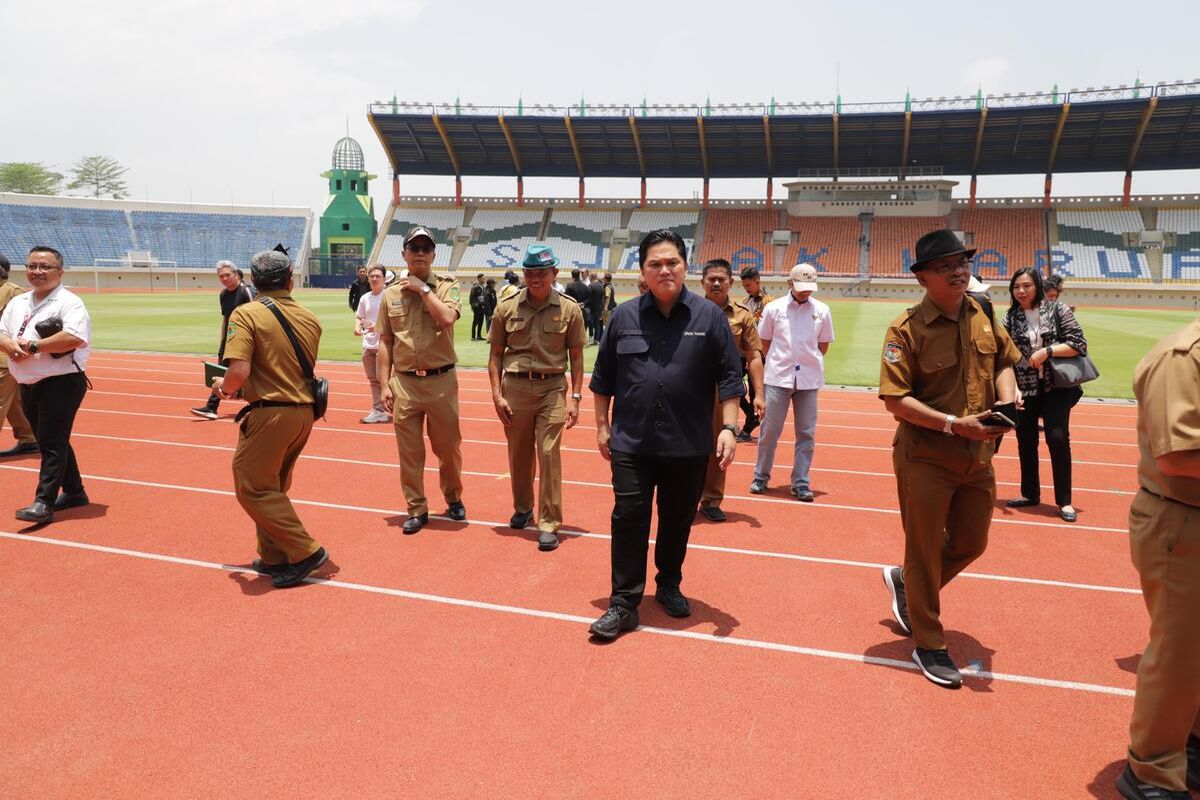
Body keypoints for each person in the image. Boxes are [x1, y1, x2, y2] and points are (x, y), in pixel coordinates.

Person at [878, 228, 1021, 688]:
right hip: (927, 455)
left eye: (962, 262)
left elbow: (1003, 361)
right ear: (923, 277)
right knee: (923, 549)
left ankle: (909, 583)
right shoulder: (906, 329)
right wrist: (951, 424)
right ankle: (930, 643)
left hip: (977, 455)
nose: (959, 271)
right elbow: (895, 400)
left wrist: (1005, 402)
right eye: (946, 266)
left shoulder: (981, 312)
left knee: (971, 542)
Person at [587, 229, 743, 640]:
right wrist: (602, 425)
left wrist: (728, 427)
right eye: (654, 263)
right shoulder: (623, 316)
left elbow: (730, 377)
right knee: (629, 518)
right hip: (632, 442)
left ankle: (669, 583)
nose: (664, 270)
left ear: (685, 266)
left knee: (676, 521)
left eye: (671, 262)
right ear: (642, 270)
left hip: (688, 443)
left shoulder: (709, 317)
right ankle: (623, 602)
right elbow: (603, 379)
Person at [1115, 318, 1200, 800]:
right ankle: (1152, 769)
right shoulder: (1184, 358)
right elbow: (1179, 457)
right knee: (1179, 655)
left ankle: (1192, 744)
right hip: (1182, 522)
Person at [209, 247, 329, 588]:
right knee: (273, 486)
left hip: (270, 412)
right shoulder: (310, 318)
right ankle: (276, 556)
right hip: (303, 413)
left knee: (252, 487)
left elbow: (239, 370)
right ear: (290, 280)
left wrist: (224, 387)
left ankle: (306, 552)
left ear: (254, 281)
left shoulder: (245, 314)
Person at [487, 244, 586, 550]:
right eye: (530, 272)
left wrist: (576, 397)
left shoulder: (570, 308)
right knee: (518, 454)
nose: (535, 278)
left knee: (548, 453)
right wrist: (495, 394)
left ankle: (549, 521)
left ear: (554, 273)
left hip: (552, 388)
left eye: (542, 272)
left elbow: (577, 356)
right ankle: (522, 507)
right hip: (514, 388)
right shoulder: (506, 307)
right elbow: (495, 355)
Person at [376, 226, 466, 534]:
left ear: (433, 255)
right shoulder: (390, 295)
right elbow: (386, 342)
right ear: (404, 254)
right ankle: (416, 507)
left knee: (449, 448)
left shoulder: (447, 286)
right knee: (409, 452)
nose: (420, 254)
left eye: (426, 249)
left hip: (441, 381)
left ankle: (453, 497)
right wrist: (384, 383)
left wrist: (422, 289)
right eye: (414, 248)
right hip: (405, 382)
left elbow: (446, 318)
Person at [0, 246, 92, 525]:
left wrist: (34, 345)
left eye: (44, 267)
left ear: (59, 272)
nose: (37, 272)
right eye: (32, 266)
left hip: (61, 381)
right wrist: (9, 346)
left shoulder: (69, 302)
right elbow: (2, 332)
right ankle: (75, 492)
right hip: (28, 381)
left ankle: (44, 502)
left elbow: (74, 337)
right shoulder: (19, 302)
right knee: (51, 438)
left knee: (50, 442)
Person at [1001, 267, 1088, 522]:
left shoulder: (1057, 309)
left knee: (1057, 438)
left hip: (1056, 387)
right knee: (1025, 439)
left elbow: (1079, 344)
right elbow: (1006, 357)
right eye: (1016, 287)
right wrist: (1013, 387)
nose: (1021, 291)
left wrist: (1047, 351)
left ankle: (1065, 501)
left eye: (1026, 285)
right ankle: (1030, 493)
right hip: (1025, 388)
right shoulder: (1010, 317)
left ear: (1037, 286)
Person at [749, 263, 834, 503]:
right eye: (801, 287)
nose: (806, 292)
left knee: (806, 433)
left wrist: (806, 360)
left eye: (809, 287)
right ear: (790, 284)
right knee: (769, 431)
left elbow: (823, 345)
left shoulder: (822, 310)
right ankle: (761, 476)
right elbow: (764, 341)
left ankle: (800, 482)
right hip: (778, 377)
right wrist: (781, 360)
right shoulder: (774, 309)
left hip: (808, 379)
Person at [698, 259, 764, 522]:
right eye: (711, 279)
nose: (716, 283)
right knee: (685, 445)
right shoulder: (687, 310)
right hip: (688, 388)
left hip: (723, 391)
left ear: (730, 283)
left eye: (721, 279)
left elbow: (754, 356)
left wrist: (759, 394)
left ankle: (711, 499)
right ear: (702, 282)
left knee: (719, 444)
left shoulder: (742, 315)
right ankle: (685, 496)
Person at [191, 260, 256, 420]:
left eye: (227, 275)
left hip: (248, 341)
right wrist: (222, 342)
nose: (225, 278)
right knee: (221, 372)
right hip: (229, 340)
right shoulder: (223, 294)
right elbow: (226, 320)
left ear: (236, 274)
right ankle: (212, 407)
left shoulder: (246, 292)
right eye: (221, 276)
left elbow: (258, 315)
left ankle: (256, 407)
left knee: (251, 374)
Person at [0, 253, 38, 457]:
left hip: (5, 359)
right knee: (14, 403)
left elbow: (27, 322)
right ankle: (29, 438)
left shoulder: (12, 292)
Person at [737, 267, 775, 442]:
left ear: (758, 281)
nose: (746, 289)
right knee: (732, 385)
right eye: (744, 286)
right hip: (741, 352)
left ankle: (748, 427)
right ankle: (750, 418)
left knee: (754, 393)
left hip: (758, 354)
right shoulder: (746, 301)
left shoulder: (770, 303)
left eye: (748, 285)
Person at [355, 264, 390, 423]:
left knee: (384, 380)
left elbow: (395, 322)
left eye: (378, 276)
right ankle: (378, 410)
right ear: (368, 278)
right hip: (368, 344)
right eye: (372, 276)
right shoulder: (365, 298)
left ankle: (387, 408)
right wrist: (357, 327)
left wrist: (378, 327)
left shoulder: (388, 297)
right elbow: (360, 317)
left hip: (383, 345)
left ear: (384, 279)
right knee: (373, 380)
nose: (374, 279)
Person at [468, 273, 487, 340]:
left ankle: (479, 336)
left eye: (484, 278)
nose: (484, 279)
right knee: (475, 321)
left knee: (481, 321)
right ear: (479, 279)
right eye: (483, 278)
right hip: (477, 307)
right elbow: (471, 297)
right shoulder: (475, 287)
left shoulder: (483, 287)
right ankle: (473, 336)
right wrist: (473, 306)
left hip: (482, 306)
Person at [587, 275, 605, 344]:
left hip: (591, 308)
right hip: (599, 308)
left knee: (590, 322)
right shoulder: (601, 286)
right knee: (597, 324)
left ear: (591, 277)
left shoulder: (591, 286)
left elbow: (587, 296)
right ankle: (596, 339)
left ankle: (591, 336)